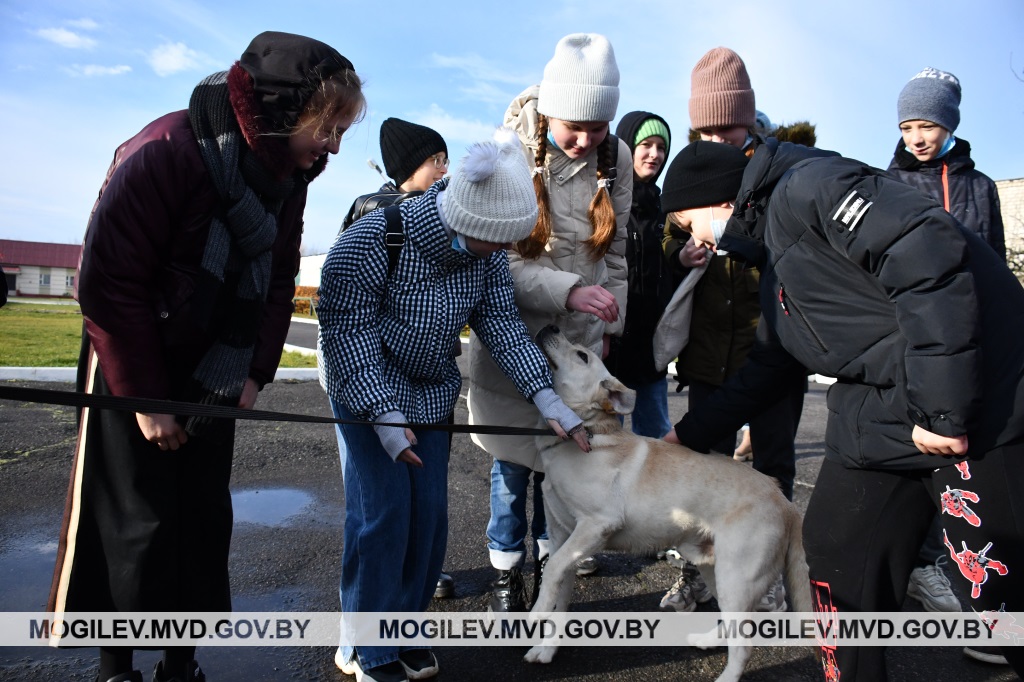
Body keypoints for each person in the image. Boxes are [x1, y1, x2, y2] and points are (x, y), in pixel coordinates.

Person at [47, 31, 364, 682]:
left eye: (340, 133)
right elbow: (107, 283)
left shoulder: (290, 175)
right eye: (328, 128)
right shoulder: (166, 150)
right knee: (131, 523)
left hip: (215, 370)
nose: (332, 148)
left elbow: (279, 280)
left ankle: (180, 663)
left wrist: (252, 372)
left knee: (197, 522)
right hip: (132, 359)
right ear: (285, 111)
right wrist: (144, 398)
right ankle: (115, 668)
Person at [663, 139, 1024, 681]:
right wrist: (684, 436)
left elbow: (925, 250)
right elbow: (771, 364)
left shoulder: (810, 186)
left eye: (692, 224)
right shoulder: (777, 271)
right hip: (883, 410)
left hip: (975, 400)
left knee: (999, 583)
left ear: (720, 201)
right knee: (835, 552)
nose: (699, 240)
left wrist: (942, 408)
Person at [317, 128, 590, 682]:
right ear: (466, 221)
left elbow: (502, 327)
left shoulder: (484, 259)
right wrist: (384, 417)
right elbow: (347, 333)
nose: (499, 254)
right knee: (383, 517)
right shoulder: (370, 242)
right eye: (494, 242)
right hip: (365, 393)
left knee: (429, 521)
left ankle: (406, 629)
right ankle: (368, 647)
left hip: (430, 392)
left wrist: (548, 398)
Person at [466, 32, 631, 612]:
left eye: (598, 129)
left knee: (564, 475)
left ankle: (552, 576)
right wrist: (571, 290)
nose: (586, 142)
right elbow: (497, 261)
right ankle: (508, 574)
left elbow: (617, 251)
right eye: (573, 129)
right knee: (513, 471)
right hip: (516, 338)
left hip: (579, 344)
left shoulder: (618, 158)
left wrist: (610, 322)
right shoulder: (508, 152)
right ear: (550, 112)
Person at [658, 46, 804, 615]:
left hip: (772, 349)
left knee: (773, 467)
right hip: (707, 351)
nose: (717, 138)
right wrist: (682, 252)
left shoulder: (775, 173)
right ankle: (700, 575)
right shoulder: (692, 167)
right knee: (705, 471)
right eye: (706, 127)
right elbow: (669, 228)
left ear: (748, 115)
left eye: (728, 124)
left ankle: (766, 578)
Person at [889, 66, 1008, 660]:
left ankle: (978, 585)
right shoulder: (887, 182)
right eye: (908, 124)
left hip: (976, 338)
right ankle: (919, 564)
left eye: (928, 124)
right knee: (921, 457)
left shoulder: (980, 186)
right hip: (915, 338)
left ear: (950, 126)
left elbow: (996, 261)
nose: (916, 136)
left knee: (973, 464)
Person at [337, 117, 458, 601]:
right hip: (370, 380)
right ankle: (360, 630)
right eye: (437, 160)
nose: (445, 170)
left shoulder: (455, 216)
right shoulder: (376, 214)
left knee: (424, 508)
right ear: (412, 166)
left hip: (429, 382)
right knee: (375, 508)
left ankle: (409, 598)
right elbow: (347, 304)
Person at [603, 111, 673, 437]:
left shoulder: (667, 207)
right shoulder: (605, 200)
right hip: (611, 347)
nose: (655, 154)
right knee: (607, 440)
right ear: (627, 147)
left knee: (656, 440)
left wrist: (681, 257)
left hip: (650, 349)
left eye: (661, 147)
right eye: (646, 144)